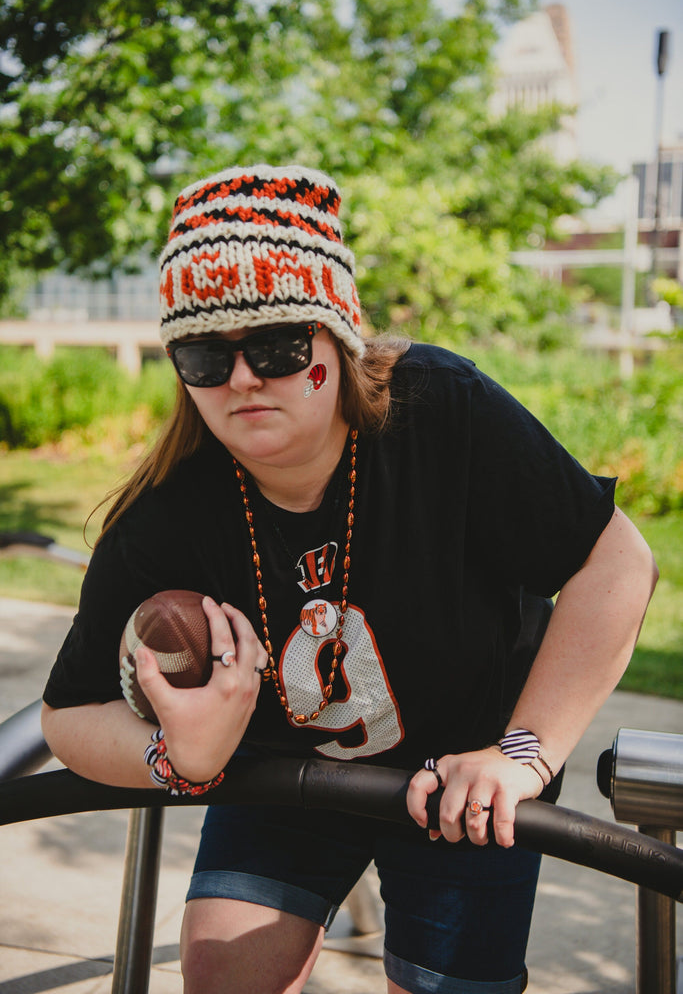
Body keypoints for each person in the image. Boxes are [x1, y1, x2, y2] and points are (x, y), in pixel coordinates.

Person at [41, 164, 658, 994]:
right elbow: (69, 713)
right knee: (224, 970)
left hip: (464, 775)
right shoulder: (170, 506)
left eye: (277, 345)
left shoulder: (439, 410)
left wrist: (521, 753)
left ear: (337, 338)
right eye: (203, 354)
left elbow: (615, 563)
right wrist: (175, 757)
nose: (245, 378)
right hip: (279, 775)